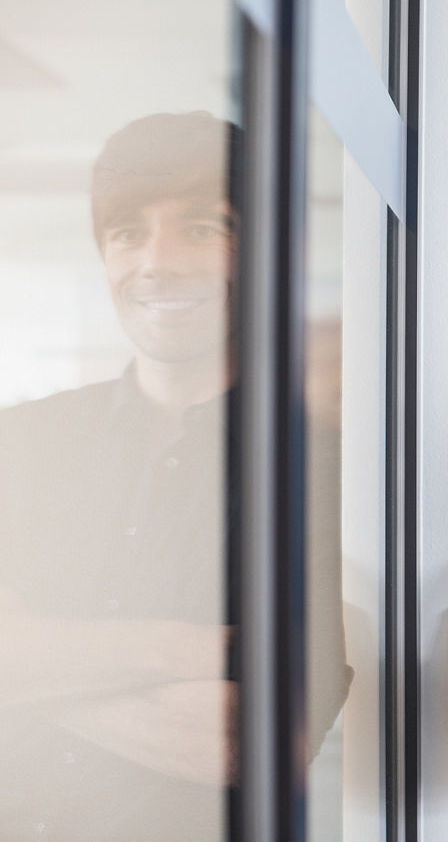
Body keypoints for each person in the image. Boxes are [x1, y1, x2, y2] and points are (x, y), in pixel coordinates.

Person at [0, 111, 350, 840]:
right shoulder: (22, 443)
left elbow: (246, 739)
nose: (157, 262)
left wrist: (32, 666)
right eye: (129, 233)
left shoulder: (325, 475)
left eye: (201, 227)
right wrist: (176, 651)